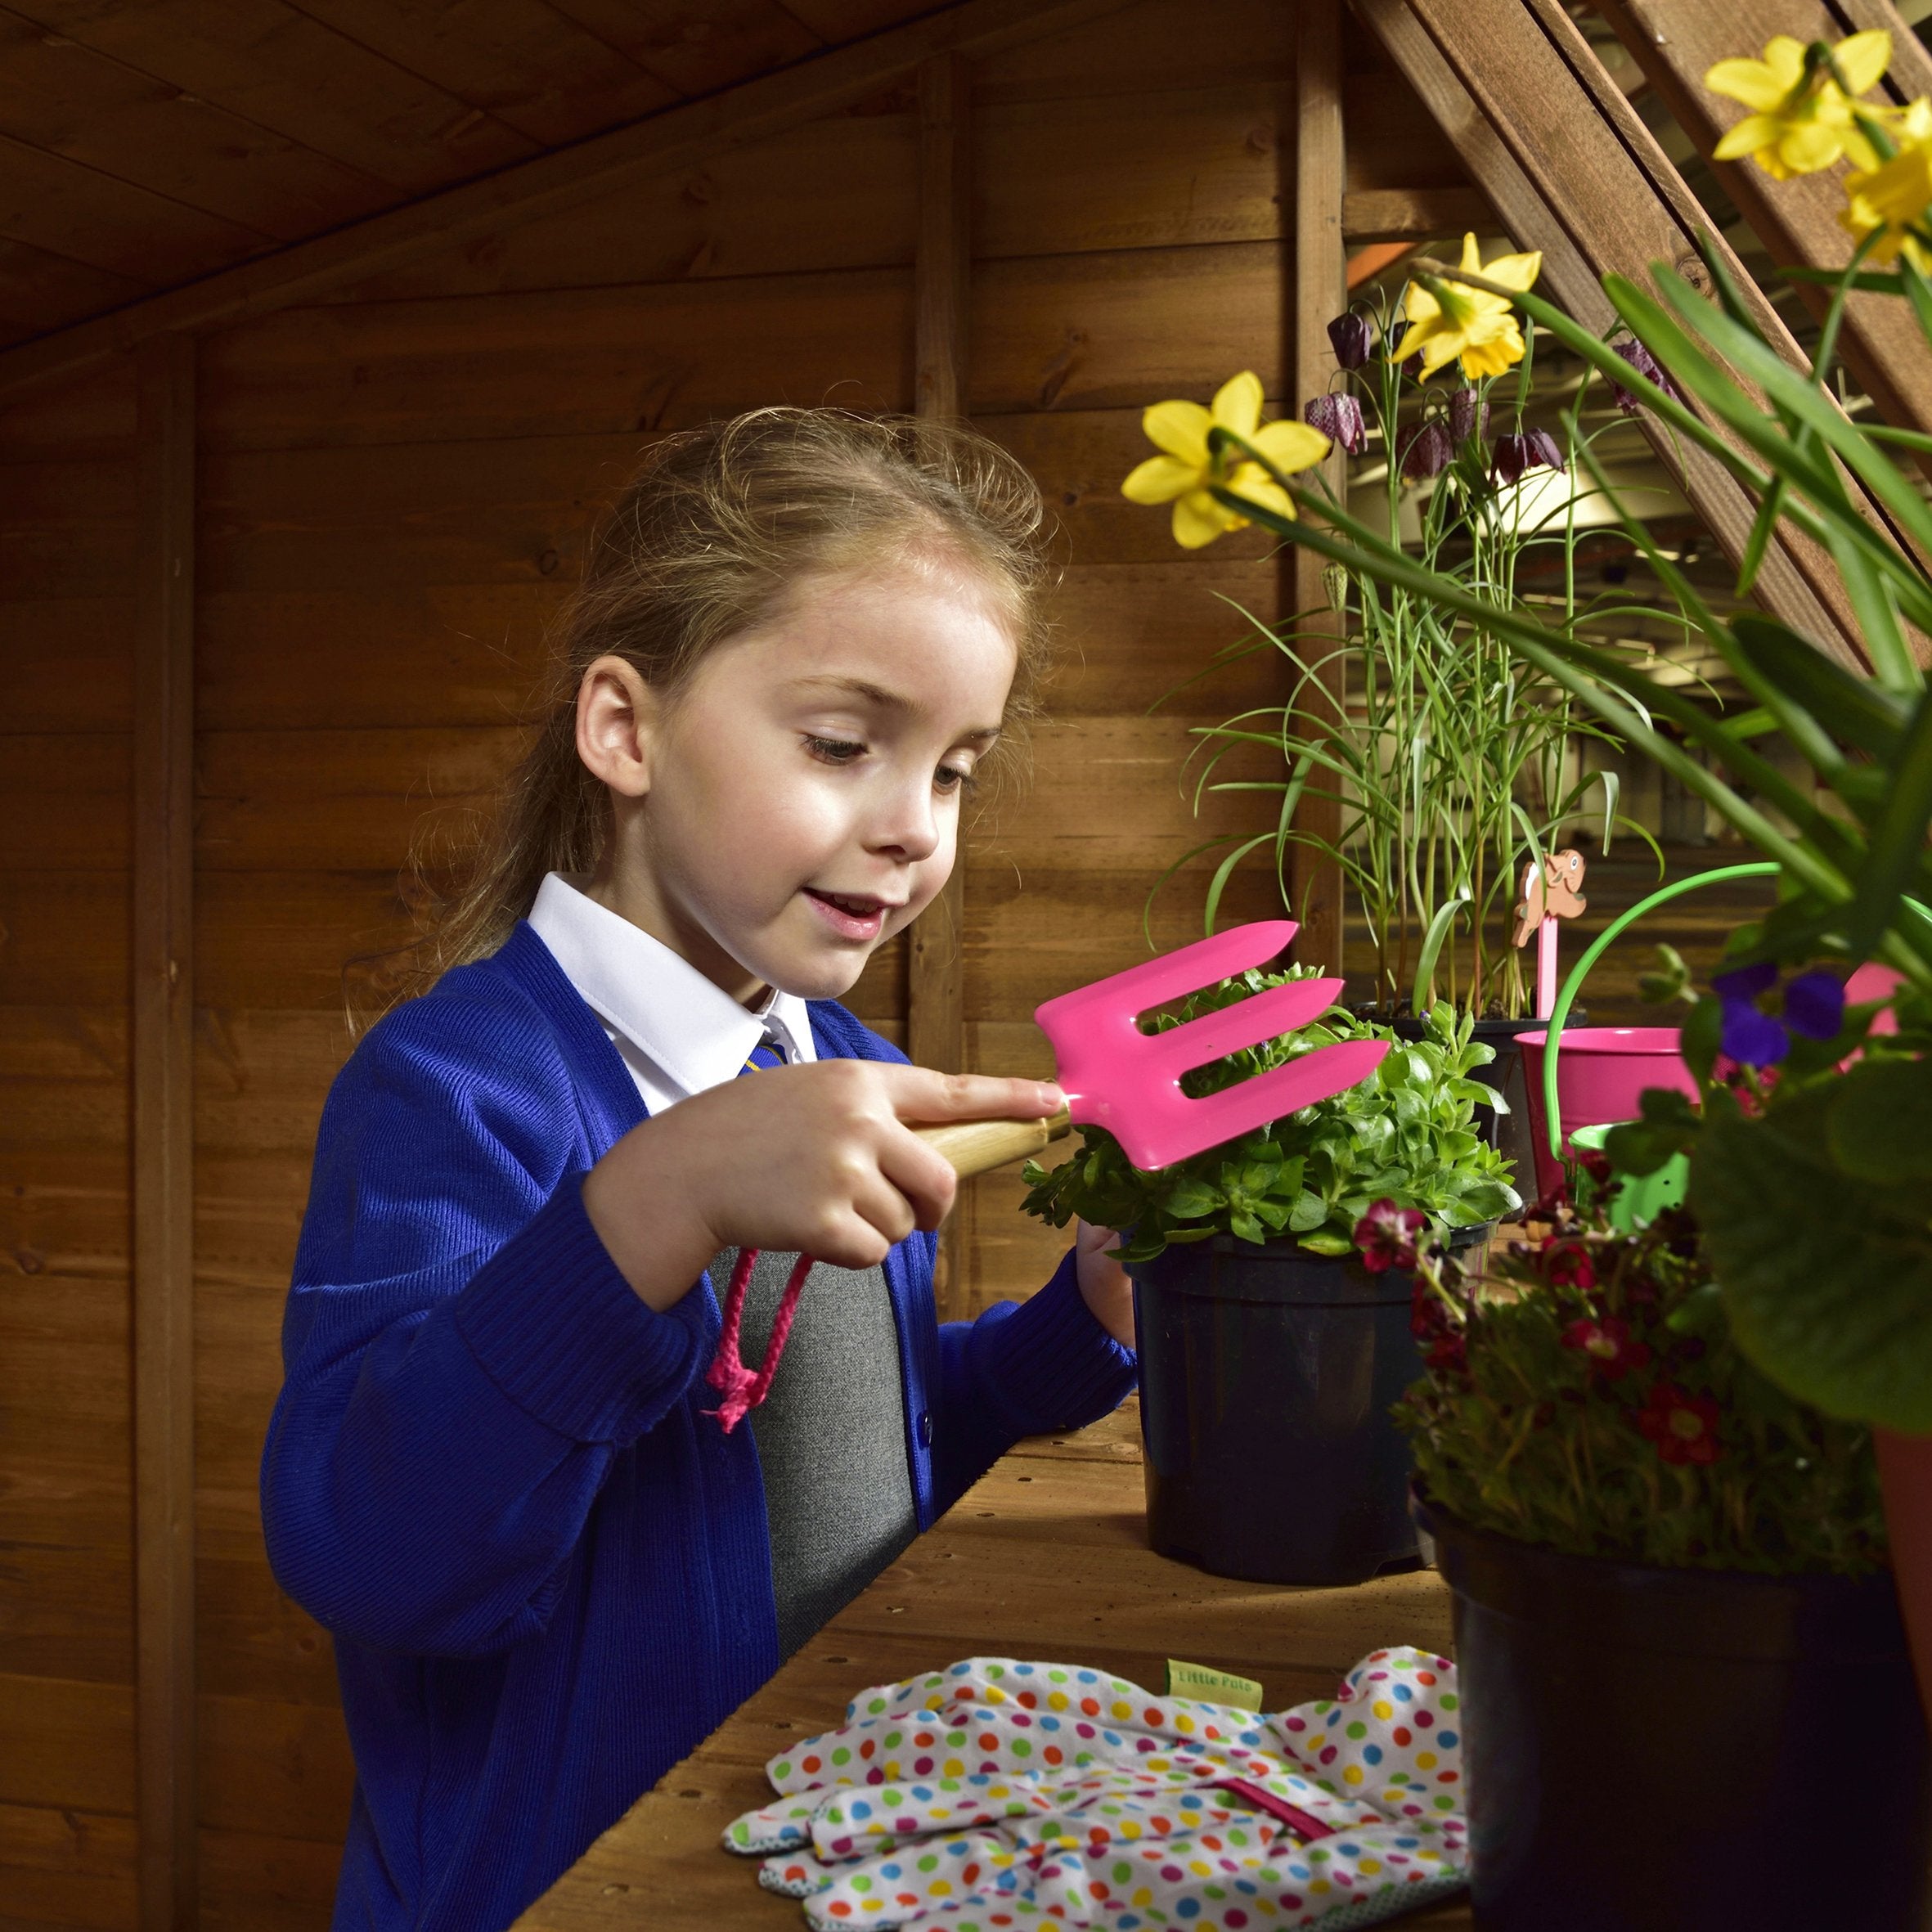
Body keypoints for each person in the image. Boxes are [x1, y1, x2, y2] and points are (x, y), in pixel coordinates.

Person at [261, 409, 1140, 1932]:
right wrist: (650, 1207)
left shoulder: (835, 1055)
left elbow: (853, 1451)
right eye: (842, 744)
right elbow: (372, 1549)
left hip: (813, 1868)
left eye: (953, 771)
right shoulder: (452, 1091)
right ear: (626, 730)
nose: (909, 830)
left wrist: (1088, 1320)